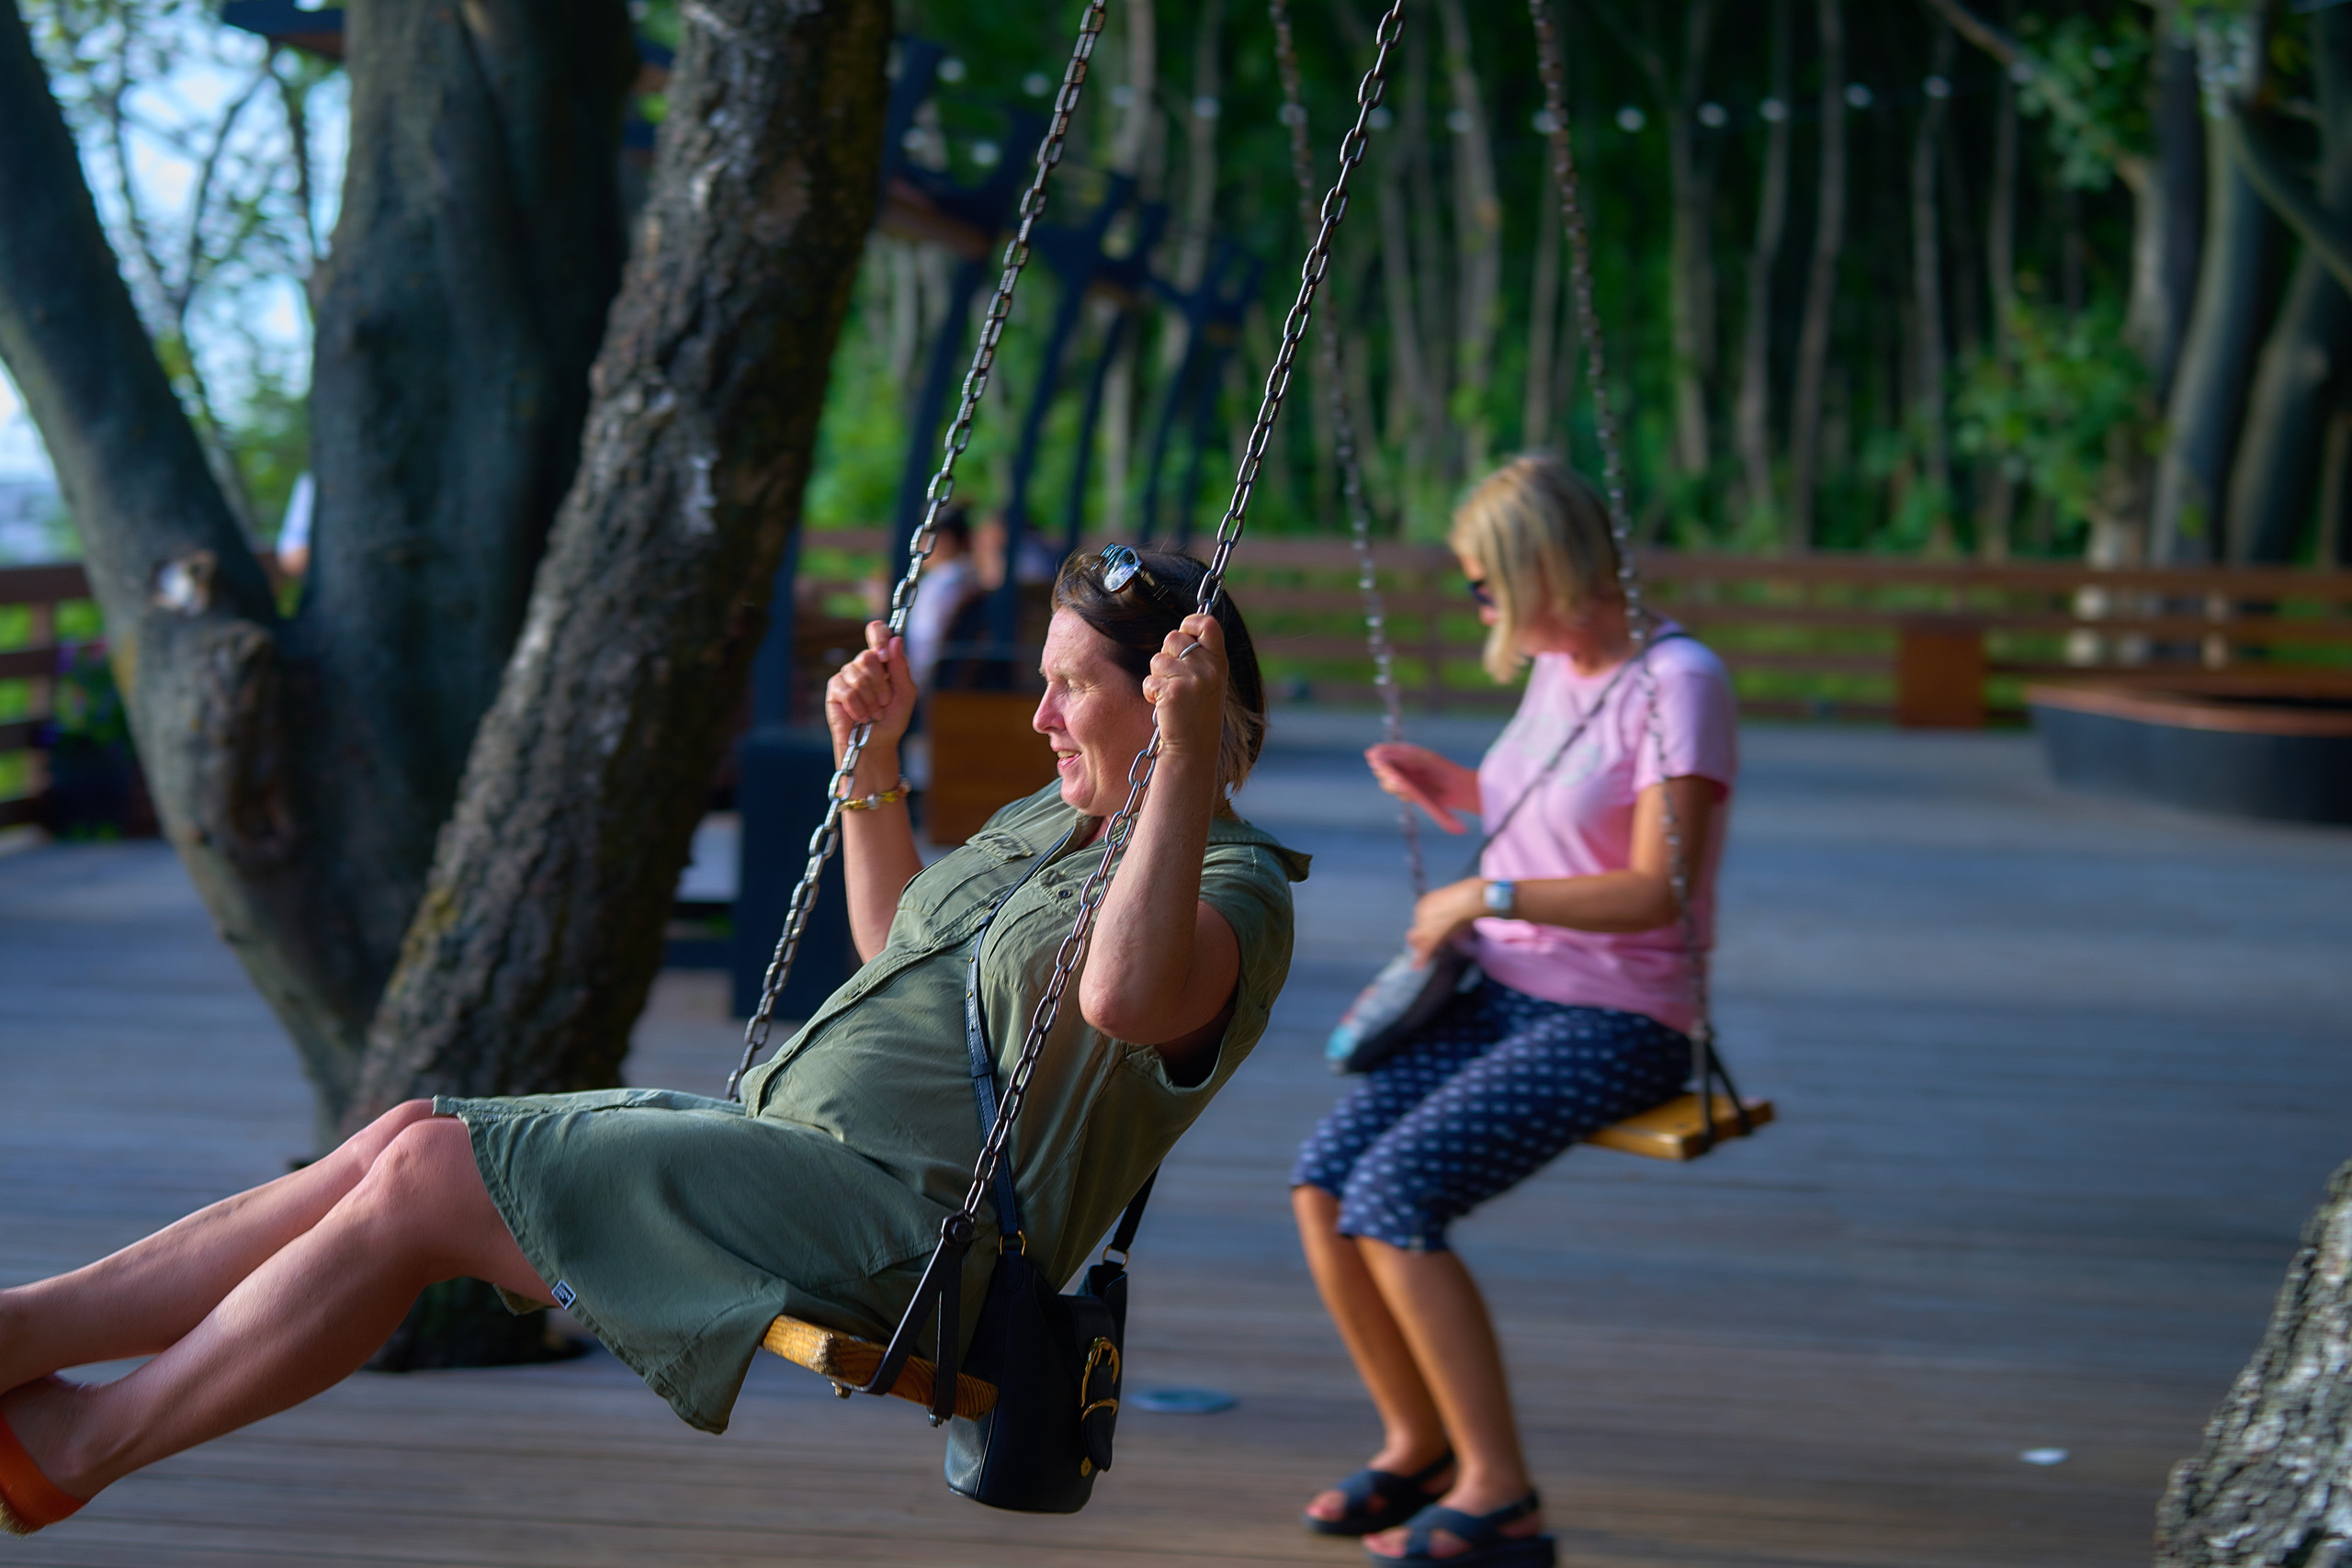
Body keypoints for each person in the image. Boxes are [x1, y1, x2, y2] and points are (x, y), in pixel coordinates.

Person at [0, 546, 1306, 1539]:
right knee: (408, 1137)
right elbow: (899, 948)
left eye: (1070, 689)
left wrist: (1186, 768)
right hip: (799, 1156)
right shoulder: (1055, 819)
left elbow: (1127, 999)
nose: (1041, 719)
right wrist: (873, 761)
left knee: (426, 1179)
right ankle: (27, 1339)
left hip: (914, 1240)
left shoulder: (1232, 890)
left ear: (1168, 705)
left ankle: (86, 1437)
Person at [1291, 456, 1736, 1568]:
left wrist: (1482, 893)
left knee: (1396, 1195)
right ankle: (1420, 1446)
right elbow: (1560, 807)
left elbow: (1656, 884)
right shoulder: (1554, 665)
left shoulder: (1680, 684)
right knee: (1323, 1181)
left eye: (1486, 583)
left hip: (1617, 1017)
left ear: (1545, 566)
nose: (1480, 605)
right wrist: (1457, 789)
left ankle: (1501, 1498)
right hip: (1503, 991)